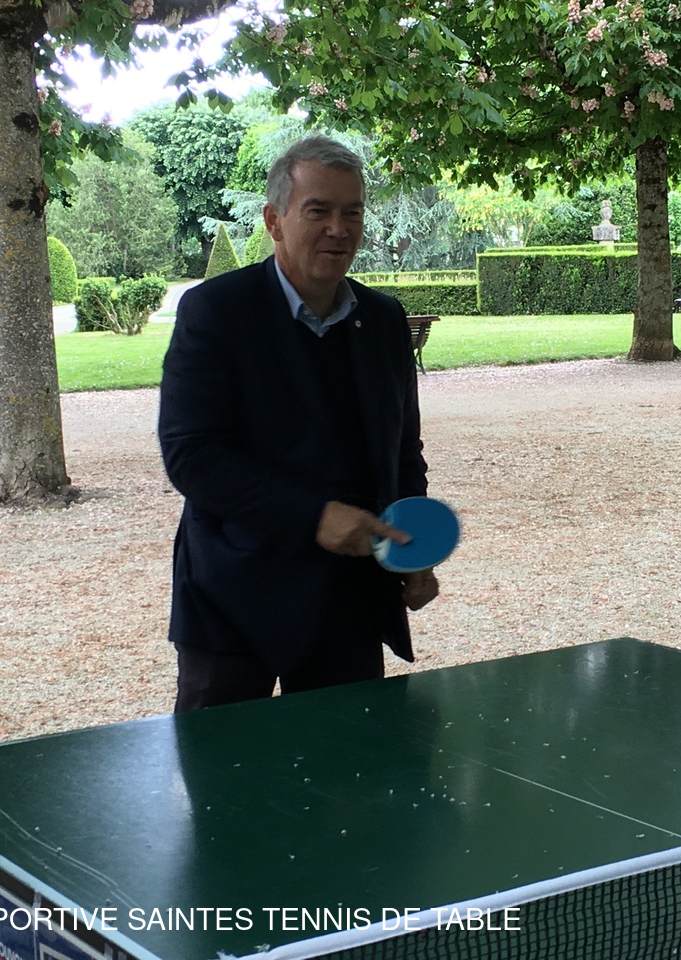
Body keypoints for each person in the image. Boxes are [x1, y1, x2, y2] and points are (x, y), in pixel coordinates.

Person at [158, 135, 439, 710]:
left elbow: (401, 451)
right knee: (226, 767)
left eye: (352, 212)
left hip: (349, 600)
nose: (339, 229)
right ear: (274, 221)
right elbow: (192, 455)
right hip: (235, 595)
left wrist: (412, 545)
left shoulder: (384, 321)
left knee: (350, 764)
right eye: (318, 211)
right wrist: (313, 516)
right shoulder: (216, 312)